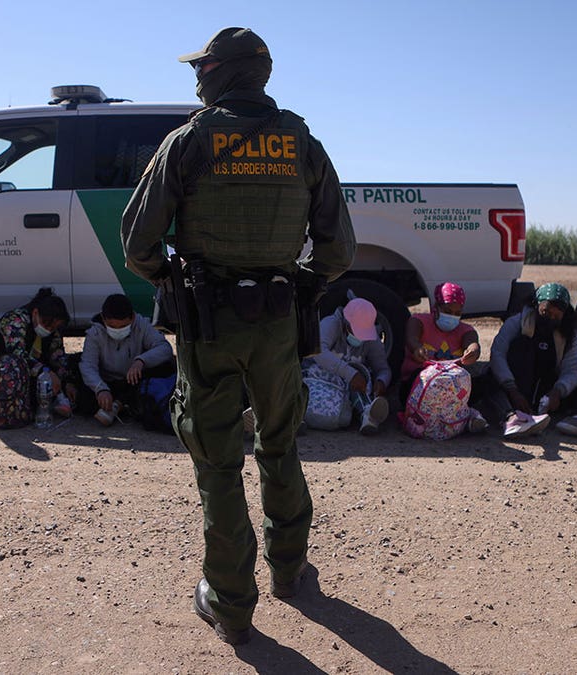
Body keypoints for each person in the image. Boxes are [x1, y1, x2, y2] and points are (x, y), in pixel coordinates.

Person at [121, 27, 355, 645]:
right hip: (279, 322)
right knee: (279, 444)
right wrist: (303, 284)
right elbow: (339, 247)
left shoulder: (190, 141)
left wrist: (169, 277)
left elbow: (137, 241)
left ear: (225, 73)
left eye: (204, 67)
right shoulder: (302, 142)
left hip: (211, 323)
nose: (196, 77)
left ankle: (230, 604)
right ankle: (289, 570)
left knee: (218, 461)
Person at [487, 283, 577, 439]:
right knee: (491, 377)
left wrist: (557, 392)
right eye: (545, 313)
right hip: (517, 382)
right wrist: (512, 390)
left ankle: (575, 419)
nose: (551, 319)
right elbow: (497, 354)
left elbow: (573, 369)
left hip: (547, 386)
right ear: (536, 306)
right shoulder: (516, 322)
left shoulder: (570, 335)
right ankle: (512, 417)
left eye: (557, 316)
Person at [399, 282, 486, 434]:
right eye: (447, 311)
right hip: (420, 386)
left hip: (452, 389)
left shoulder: (465, 330)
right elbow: (412, 339)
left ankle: (463, 416)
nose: (452, 316)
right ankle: (464, 417)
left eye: (457, 313)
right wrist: (417, 349)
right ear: (436, 307)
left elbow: (472, 343)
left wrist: (473, 351)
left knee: (484, 380)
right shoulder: (419, 321)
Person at [76, 293, 175, 425]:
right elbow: (88, 365)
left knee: (164, 368)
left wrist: (141, 360)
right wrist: (100, 388)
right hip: (107, 382)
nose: (117, 330)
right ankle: (123, 404)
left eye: (123, 327)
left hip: (134, 379)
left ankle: (122, 403)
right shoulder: (95, 333)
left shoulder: (141, 325)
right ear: (103, 319)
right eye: (112, 326)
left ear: (132, 318)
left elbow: (165, 348)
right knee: (83, 397)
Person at [301, 297, 391, 434]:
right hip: (320, 377)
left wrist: (382, 381)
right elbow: (318, 353)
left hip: (348, 386)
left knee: (360, 376)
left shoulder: (371, 338)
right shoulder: (331, 324)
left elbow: (383, 368)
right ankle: (296, 416)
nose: (360, 337)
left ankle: (367, 415)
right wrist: (350, 373)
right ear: (345, 323)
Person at [0, 287, 77, 419]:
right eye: (47, 326)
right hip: (6, 374)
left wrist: (67, 381)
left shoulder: (53, 330)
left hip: (37, 375)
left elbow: (58, 357)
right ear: (35, 313)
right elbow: (18, 357)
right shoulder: (14, 321)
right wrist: (46, 373)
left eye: (53, 328)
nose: (49, 330)